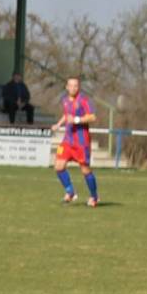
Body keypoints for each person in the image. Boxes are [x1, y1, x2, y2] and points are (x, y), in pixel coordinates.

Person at [51, 76, 98, 207]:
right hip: (68, 140)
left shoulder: (84, 100)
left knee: (85, 170)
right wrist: (58, 124)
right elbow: (67, 115)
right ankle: (70, 192)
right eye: (70, 85)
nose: (73, 88)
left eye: (75, 86)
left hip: (81, 142)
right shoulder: (65, 100)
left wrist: (77, 120)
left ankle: (94, 196)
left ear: (79, 87)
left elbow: (92, 116)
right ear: (66, 87)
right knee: (58, 166)